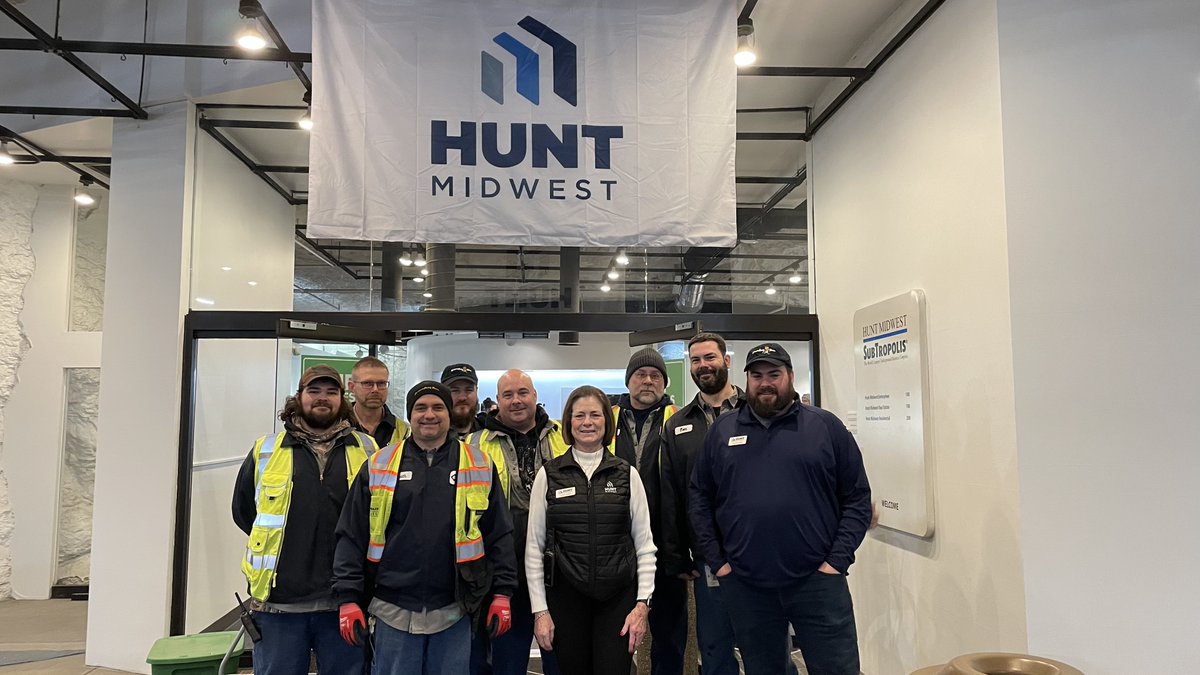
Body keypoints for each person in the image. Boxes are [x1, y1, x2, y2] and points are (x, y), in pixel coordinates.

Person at [690, 343, 872, 675]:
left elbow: (858, 498)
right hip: (748, 586)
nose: (765, 383)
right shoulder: (723, 431)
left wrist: (836, 561)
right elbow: (699, 499)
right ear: (747, 380)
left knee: (838, 670)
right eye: (757, 375)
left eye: (774, 374)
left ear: (789, 376)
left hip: (817, 583)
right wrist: (720, 563)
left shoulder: (825, 427)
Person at [333, 381, 517, 675]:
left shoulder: (480, 465)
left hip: (455, 609)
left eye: (437, 407)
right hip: (392, 607)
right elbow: (351, 536)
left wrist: (503, 594)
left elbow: (499, 535)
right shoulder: (379, 464)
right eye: (420, 408)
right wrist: (348, 598)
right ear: (410, 415)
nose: (429, 415)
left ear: (448, 413)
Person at [661, 333, 799, 675]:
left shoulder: (761, 411)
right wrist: (678, 554)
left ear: (726, 361)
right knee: (715, 647)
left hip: (762, 553)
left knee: (769, 646)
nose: (703, 365)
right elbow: (673, 494)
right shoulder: (678, 424)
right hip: (709, 557)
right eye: (695, 360)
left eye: (709, 357)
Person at [232, 365, 378, 675]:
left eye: (331, 392)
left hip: (346, 600)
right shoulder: (266, 450)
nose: (322, 398)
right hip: (279, 603)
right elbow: (245, 513)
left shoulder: (367, 450)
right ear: (298, 398)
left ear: (344, 399)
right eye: (314, 391)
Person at [526, 386, 657, 675]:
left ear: (606, 422)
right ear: (569, 422)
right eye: (579, 415)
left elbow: (645, 545)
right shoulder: (549, 475)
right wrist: (541, 612)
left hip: (618, 602)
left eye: (595, 415)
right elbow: (534, 550)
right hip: (565, 600)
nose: (588, 422)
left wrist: (641, 605)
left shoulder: (627, 474)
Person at [468, 370, 568, 675]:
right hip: (501, 576)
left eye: (523, 392)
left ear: (536, 396)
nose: (516, 400)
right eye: (507, 395)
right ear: (497, 401)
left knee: (560, 660)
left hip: (559, 574)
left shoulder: (564, 436)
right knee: (506, 662)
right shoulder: (473, 446)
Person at [611, 348, 683, 675]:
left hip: (666, 548)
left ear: (664, 383)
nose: (648, 381)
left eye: (656, 375)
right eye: (641, 374)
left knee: (668, 636)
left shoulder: (679, 419)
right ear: (629, 381)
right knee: (615, 635)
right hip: (615, 548)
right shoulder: (605, 417)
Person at [348, 356, 408, 447]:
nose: (375, 390)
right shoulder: (336, 429)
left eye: (381, 384)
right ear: (352, 387)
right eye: (367, 383)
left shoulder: (405, 431)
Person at [441, 362, 484, 439]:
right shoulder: (431, 435)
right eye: (455, 390)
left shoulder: (491, 435)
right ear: (443, 393)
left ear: (476, 392)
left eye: (469, 390)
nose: (462, 397)